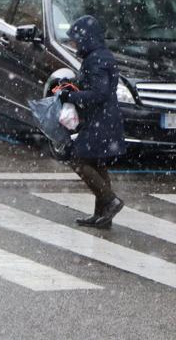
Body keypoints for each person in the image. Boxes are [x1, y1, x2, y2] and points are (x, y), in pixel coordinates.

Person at [58, 15, 127, 229]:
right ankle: (102, 214)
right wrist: (71, 85)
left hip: (101, 120)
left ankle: (111, 201)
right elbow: (92, 85)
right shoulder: (99, 56)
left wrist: (71, 97)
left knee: (78, 160)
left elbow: (99, 93)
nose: (73, 44)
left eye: (76, 40)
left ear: (86, 38)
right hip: (105, 119)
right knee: (97, 162)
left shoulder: (97, 59)